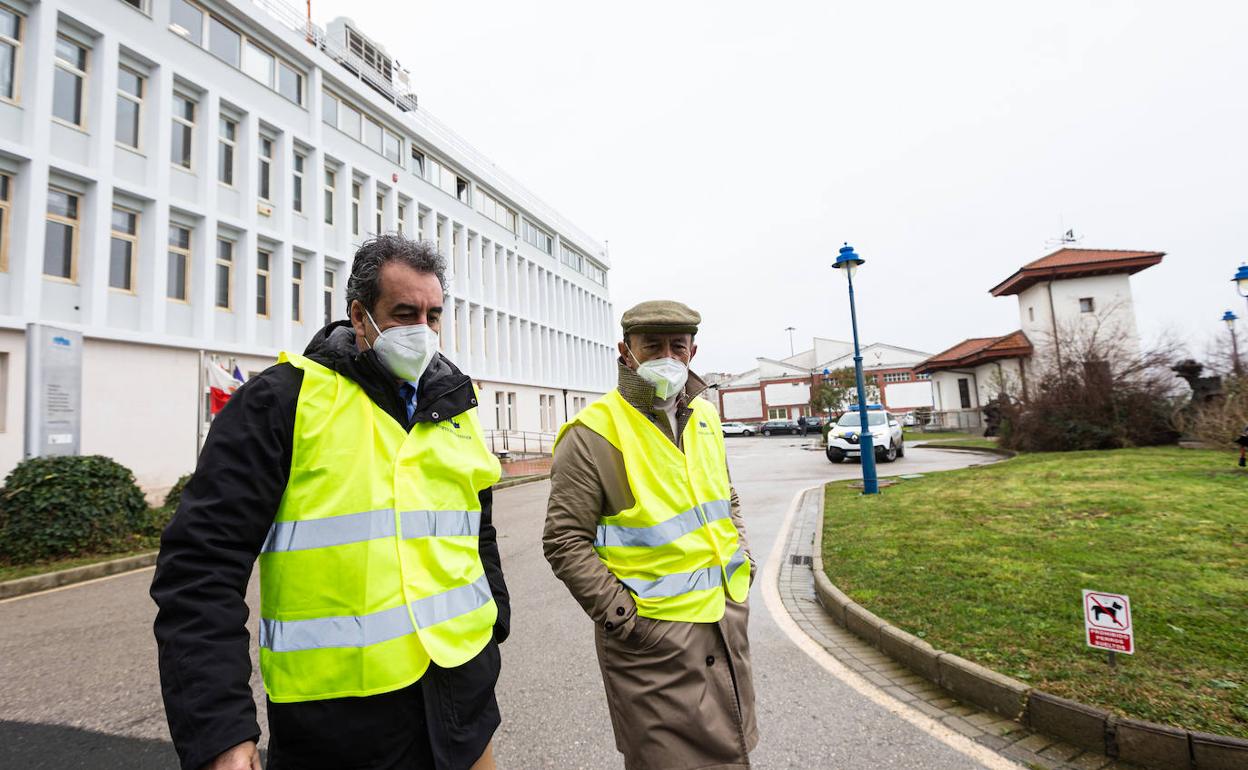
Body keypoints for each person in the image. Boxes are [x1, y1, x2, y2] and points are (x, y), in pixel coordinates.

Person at [151, 236, 509, 770]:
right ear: (360, 316)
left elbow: (476, 525)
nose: (423, 331)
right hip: (339, 726)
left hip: (463, 702)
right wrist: (219, 731)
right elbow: (201, 567)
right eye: (404, 313)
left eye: (433, 315)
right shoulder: (281, 401)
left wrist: (494, 618)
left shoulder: (455, 403)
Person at [543, 300, 758, 769]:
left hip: (724, 629)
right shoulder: (591, 434)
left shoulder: (705, 418)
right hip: (651, 648)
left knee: (733, 752)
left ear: (693, 352)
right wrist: (625, 619)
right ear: (626, 351)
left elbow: (728, 499)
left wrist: (744, 561)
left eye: (676, 346)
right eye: (652, 345)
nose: (666, 356)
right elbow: (564, 541)